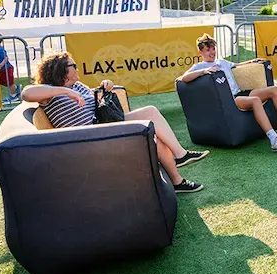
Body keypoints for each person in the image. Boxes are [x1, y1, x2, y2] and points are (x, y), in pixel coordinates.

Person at [21, 52, 207, 193]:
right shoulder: (50, 93)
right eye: (73, 65)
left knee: (151, 118)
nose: (77, 68)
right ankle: (179, 170)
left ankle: (179, 169)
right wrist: (64, 91)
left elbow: (93, 99)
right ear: (62, 69)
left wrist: (105, 86)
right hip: (87, 139)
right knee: (149, 124)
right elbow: (26, 93)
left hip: (103, 126)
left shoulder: (77, 85)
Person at [178, 33, 277, 153]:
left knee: (273, 90)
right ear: (200, 51)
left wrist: (252, 61)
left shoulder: (222, 62)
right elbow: (184, 78)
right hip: (230, 100)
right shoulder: (199, 66)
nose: (212, 52)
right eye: (208, 50)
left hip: (241, 93)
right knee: (255, 100)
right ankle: (274, 139)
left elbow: (237, 66)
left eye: (213, 48)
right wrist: (203, 72)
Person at [0, 33, 20, 103]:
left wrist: (0, 65)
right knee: (1, 81)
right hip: (2, 69)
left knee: (10, 82)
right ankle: (16, 88)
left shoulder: (0, 49)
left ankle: (13, 96)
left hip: (6, 68)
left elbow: (6, 58)